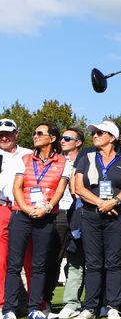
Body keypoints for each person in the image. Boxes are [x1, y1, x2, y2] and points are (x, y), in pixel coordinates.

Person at [3, 122, 69, 319]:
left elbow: (60, 189)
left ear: (53, 138)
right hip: (21, 215)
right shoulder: (23, 159)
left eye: (40, 133)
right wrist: (26, 208)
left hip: (46, 216)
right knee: (14, 264)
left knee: (39, 265)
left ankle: (34, 308)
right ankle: (8, 310)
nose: (35, 136)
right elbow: (17, 188)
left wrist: (46, 208)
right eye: (34, 133)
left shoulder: (64, 162)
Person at [74, 120, 121, 319]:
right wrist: (102, 202)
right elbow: (78, 187)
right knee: (93, 263)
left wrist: (115, 201)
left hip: (116, 216)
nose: (95, 135)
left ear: (112, 138)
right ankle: (90, 307)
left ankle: (113, 307)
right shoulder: (87, 157)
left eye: (100, 133)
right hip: (91, 215)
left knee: (114, 263)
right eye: (95, 132)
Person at [0, 118, 32, 314]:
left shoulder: (29, 154)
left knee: (31, 258)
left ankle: (36, 304)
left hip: (26, 210)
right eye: (0, 134)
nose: (4, 137)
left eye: (8, 133)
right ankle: (2, 305)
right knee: (1, 259)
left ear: (16, 134)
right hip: (2, 207)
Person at [56, 128, 86, 319]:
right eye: (62, 138)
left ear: (79, 142)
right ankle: (43, 302)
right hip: (57, 212)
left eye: (68, 138)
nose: (63, 140)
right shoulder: (56, 161)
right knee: (53, 259)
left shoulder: (87, 161)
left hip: (79, 213)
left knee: (77, 260)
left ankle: (72, 302)